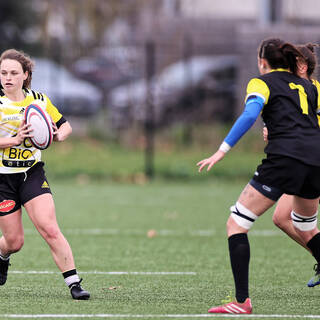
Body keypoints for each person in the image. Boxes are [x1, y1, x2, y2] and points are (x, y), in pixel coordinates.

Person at [197, 38, 320, 314]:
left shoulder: (260, 82)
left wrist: (221, 150)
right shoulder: (307, 85)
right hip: (316, 159)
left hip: (285, 159)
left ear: (263, 62)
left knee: (236, 224)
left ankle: (241, 303)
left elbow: (249, 115)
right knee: (304, 226)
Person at [0, 49, 90, 300]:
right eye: (3, 73)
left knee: (50, 228)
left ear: (25, 75)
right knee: (14, 241)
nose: (8, 78)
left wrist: (59, 134)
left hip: (31, 173)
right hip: (3, 179)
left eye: (14, 73)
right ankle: (2, 255)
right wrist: (14, 140)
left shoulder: (38, 99)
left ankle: (74, 283)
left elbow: (65, 125)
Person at [263, 43, 320, 287]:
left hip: (313, 161)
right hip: (304, 162)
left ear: (303, 66)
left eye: (291, 64)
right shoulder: (291, 88)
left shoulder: (314, 88)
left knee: (287, 217)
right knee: (282, 217)